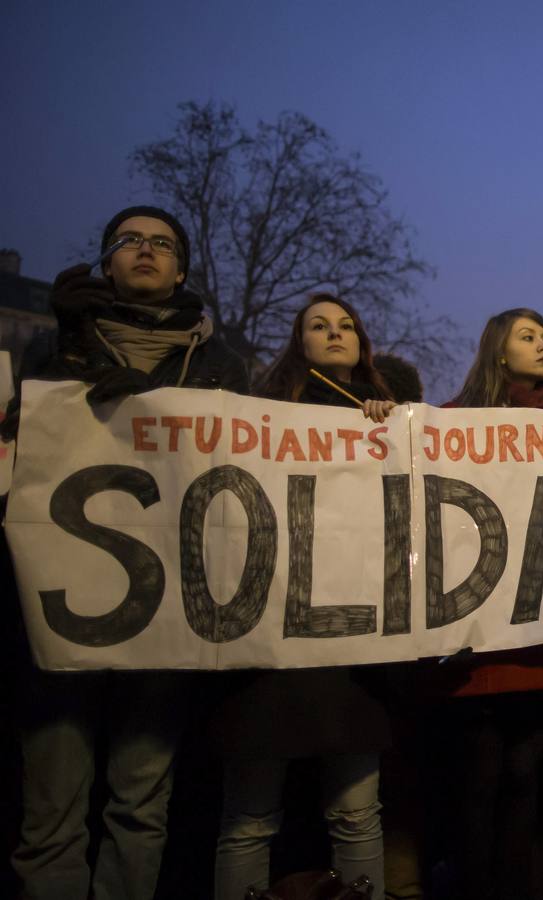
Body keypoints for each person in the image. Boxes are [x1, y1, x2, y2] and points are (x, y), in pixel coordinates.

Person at [9, 205, 248, 900]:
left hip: (166, 615)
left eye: (163, 244)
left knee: (140, 807)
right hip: (61, 609)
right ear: (106, 259)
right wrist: (65, 348)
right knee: (52, 810)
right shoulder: (52, 342)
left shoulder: (219, 362)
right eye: (130, 241)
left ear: (181, 268)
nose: (146, 251)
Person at [211, 295, 393, 900]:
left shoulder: (390, 418)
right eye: (319, 326)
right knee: (250, 820)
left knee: (357, 813)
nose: (335, 333)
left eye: (346, 326)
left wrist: (391, 430)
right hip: (270, 644)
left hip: (352, 647)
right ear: (301, 343)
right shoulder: (259, 418)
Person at [429, 308, 543, 900]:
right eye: (528, 337)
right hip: (477, 630)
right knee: (478, 779)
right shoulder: (452, 422)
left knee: (526, 778)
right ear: (498, 351)